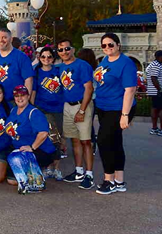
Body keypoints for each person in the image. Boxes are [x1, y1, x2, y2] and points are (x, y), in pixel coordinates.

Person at [93, 33, 137, 195]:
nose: (107, 48)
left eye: (111, 45)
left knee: (104, 141)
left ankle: (109, 180)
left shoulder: (126, 63)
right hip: (104, 107)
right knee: (115, 142)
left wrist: (125, 115)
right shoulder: (105, 61)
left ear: (118, 45)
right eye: (104, 46)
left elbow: (130, 89)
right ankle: (119, 180)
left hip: (118, 108)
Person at [55, 39, 95, 189]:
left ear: (73, 49)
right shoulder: (60, 68)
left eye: (67, 49)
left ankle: (89, 174)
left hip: (81, 105)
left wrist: (82, 110)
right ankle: (78, 171)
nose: (64, 52)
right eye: (60, 50)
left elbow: (89, 89)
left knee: (86, 141)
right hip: (68, 105)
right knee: (75, 140)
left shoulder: (82, 65)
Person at [4, 85, 55, 186]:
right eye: (17, 96)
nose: (19, 98)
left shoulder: (34, 112)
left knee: (16, 180)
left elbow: (43, 133)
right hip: (19, 149)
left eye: (22, 95)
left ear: (28, 96)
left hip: (38, 150)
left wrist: (32, 147)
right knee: (11, 180)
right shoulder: (13, 110)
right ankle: (31, 172)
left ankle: (37, 176)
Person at [30, 46, 63, 181]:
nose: (46, 59)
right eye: (43, 57)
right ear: (39, 58)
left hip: (58, 108)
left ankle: (56, 168)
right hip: (42, 108)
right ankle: (48, 167)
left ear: (53, 58)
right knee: (46, 139)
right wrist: (32, 108)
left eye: (49, 57)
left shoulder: (59, 71)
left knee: (58, 139)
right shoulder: (36, 72)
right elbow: (33, 92)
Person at [0, 28, 34, 103]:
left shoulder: (21, 57)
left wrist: (25, 100)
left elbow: (28, 80)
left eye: (4, 37)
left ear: (11, 39)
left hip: (15, 101)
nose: (1, 40)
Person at [145, 50, 162, 136]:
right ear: (159, 57)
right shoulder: (156, 65)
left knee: (155, 109)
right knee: (159, 110)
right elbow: (153, 78)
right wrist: (159, 89)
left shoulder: (154, 64)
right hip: (157, 91)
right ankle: (158, 129)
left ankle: (154, 128)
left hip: (154, 91)